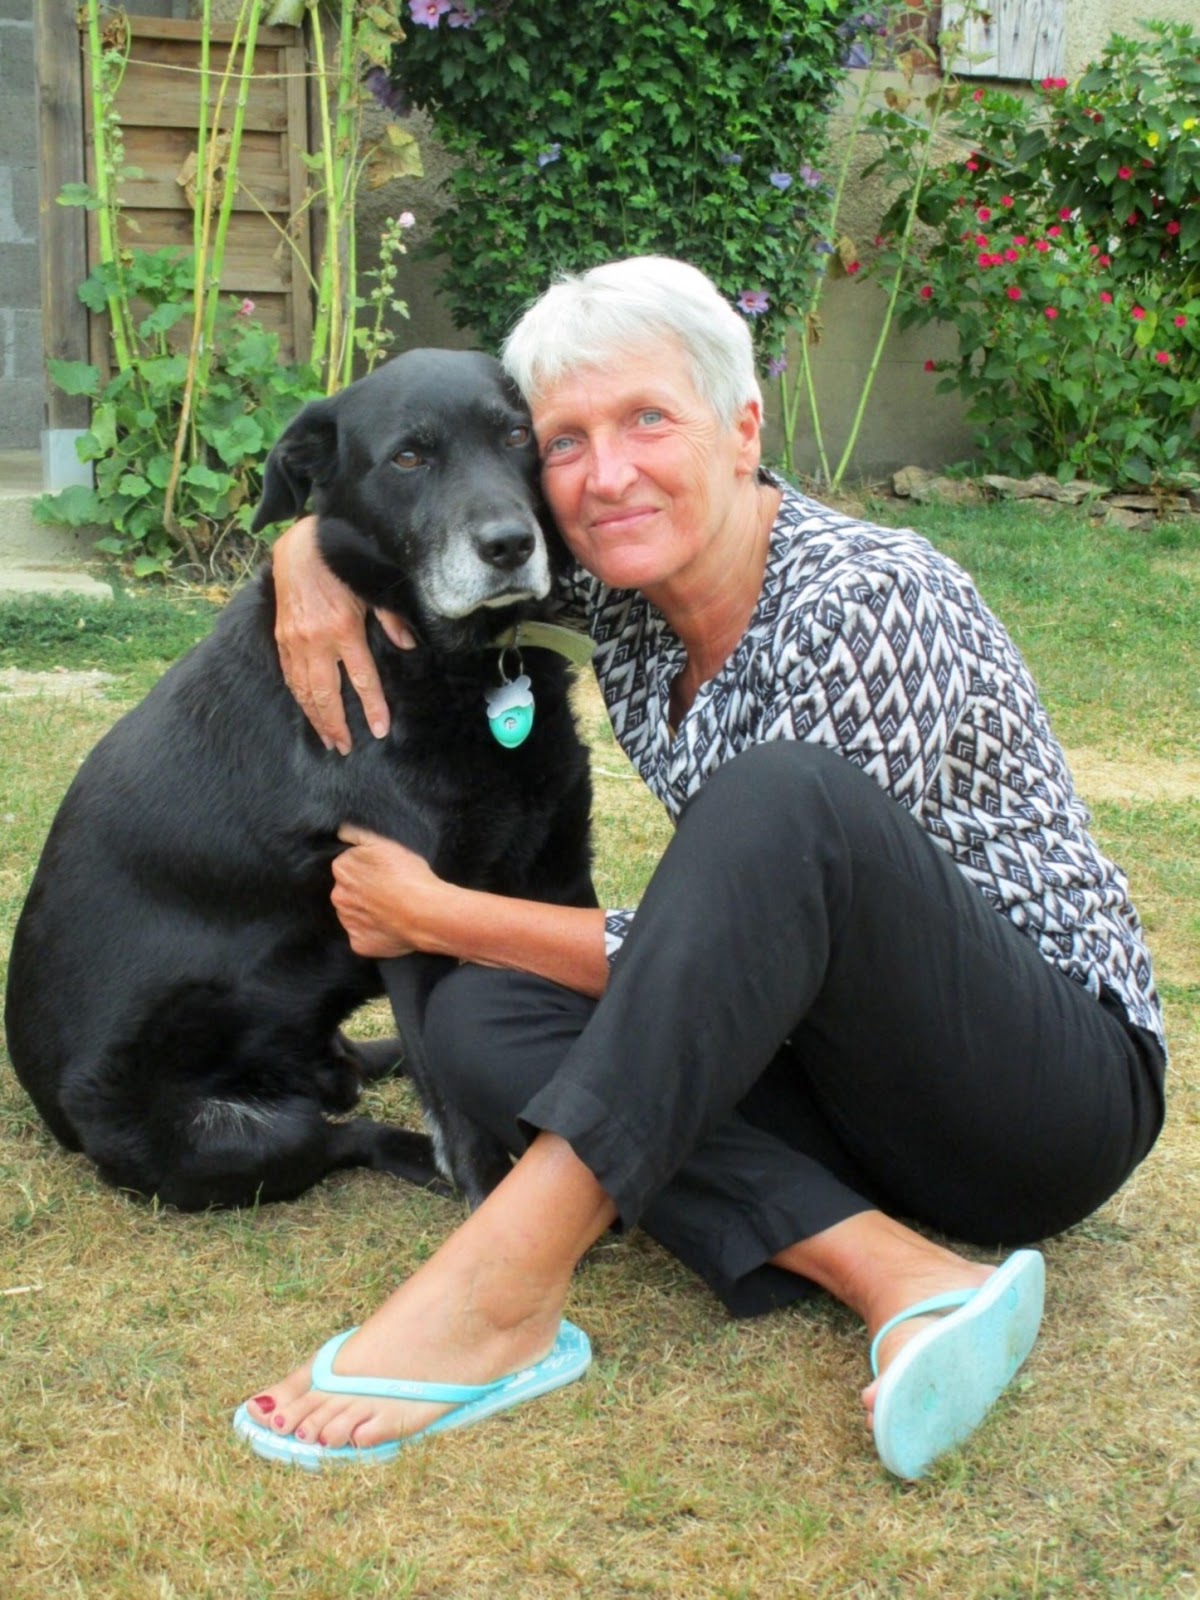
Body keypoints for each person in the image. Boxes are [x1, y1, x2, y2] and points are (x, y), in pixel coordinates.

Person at [233, 256, 1166, 1479]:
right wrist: (300, 554)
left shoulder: (875, 595)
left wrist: (440, 909)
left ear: (742, 429)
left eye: (647, 421)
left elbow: (757, 935)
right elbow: (398, 512)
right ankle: (896, 1268)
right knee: (477, 1021)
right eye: (564, 441)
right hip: (837, 1078)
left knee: (780, 797)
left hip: (1040, 1092)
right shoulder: (629, 595)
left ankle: (501, 1287)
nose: (606, 472)